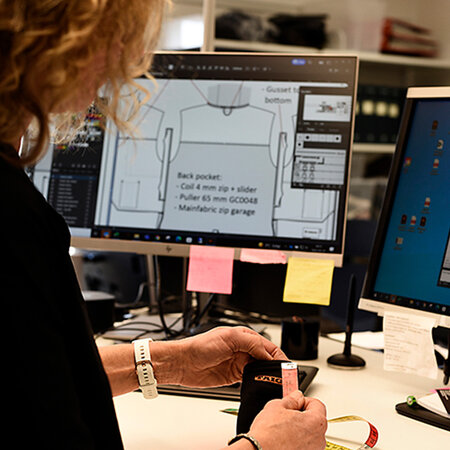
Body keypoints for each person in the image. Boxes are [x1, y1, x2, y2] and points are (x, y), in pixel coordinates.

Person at [0, 1, 327, 449]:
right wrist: (261, 447)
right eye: (111, 36)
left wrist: (165, 361)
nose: (123, 59)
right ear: (56, 38)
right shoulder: (10, 222)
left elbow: (30, 377)